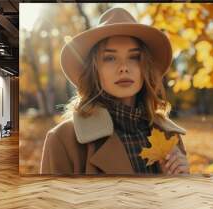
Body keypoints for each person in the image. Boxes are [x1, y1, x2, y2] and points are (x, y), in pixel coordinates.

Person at [40, 7, 188, 175]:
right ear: (94, 70)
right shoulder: (63, 140)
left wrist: (181, 182)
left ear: (145, 67)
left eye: (134, 57)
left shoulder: (169, 136)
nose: (124, 68)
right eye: (110, 58)